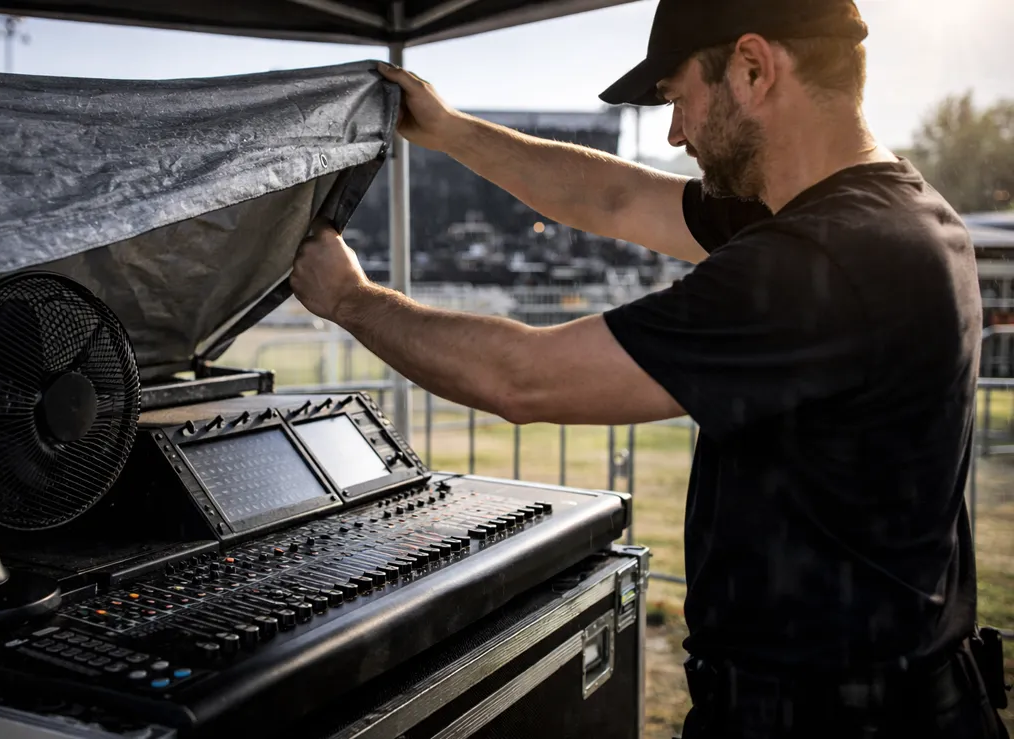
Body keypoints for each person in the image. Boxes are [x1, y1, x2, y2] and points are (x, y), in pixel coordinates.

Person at [291, 0, 1008, 736]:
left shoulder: (822, 261)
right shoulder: (894, 212)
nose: (674, 133)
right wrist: (451, 131)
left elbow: (522, 376)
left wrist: (351, 299)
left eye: (678, 99)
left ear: (754, 68)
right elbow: (616, 196)